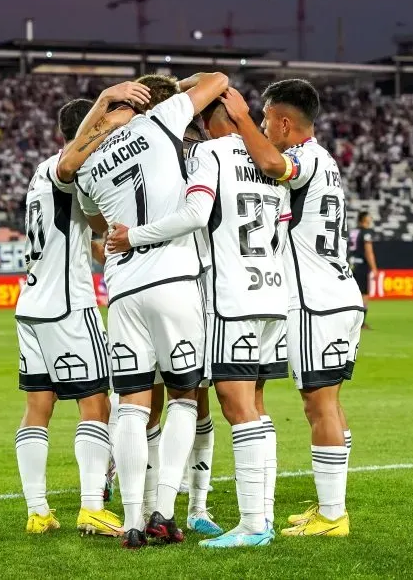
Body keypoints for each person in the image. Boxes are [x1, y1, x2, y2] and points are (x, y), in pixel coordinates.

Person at [107, 98, 290, 548]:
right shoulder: (271, 161)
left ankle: (249, 524)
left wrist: (134, 236)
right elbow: (281, 231)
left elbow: (194, 215)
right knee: (254, 405)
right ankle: (254, 510)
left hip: (225, 296)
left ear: (208, 121)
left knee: (226, 404)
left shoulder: (209, 153)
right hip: (271, 292)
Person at [66, 72, 229, 549]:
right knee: (182, 397)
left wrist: (105, 120)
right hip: (174, 281)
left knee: (133, 407)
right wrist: (168, 90)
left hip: (123, 291)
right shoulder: (160, 120)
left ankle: (133, 519)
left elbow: (98, 221)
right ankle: (165, 510)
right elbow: (217, 78)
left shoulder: (86, 166)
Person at [221, 80, 364, 538]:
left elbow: (268, 160)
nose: (261, 127)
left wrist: (240, 118)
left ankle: (333, 515)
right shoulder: (327, 163)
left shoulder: (307, 159)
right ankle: (329, 506)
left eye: (265, 120)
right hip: (339, 295)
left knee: (318, 405)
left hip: (314, 302)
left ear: (284, 123)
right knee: (327, 404)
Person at [12, 86, 149, 537]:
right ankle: (92, 505)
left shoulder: (39, 173)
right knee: (96, 404)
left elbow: (88, 229)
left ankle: (38, 510)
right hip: (68, 306)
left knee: (38, 408)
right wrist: (109, 105)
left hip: (31, 305)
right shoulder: (66, 166)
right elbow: (77, 170)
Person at [348, 212, 377, 329]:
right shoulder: (366, 233)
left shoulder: (352, 232)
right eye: (369, 216)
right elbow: (368, 252)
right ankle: (361, 322)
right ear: (364, 219)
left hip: (350, 264)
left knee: (351, 294)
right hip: (361, 265)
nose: (371, 218)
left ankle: (349, 320)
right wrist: (374, 268)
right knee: (364, 294)